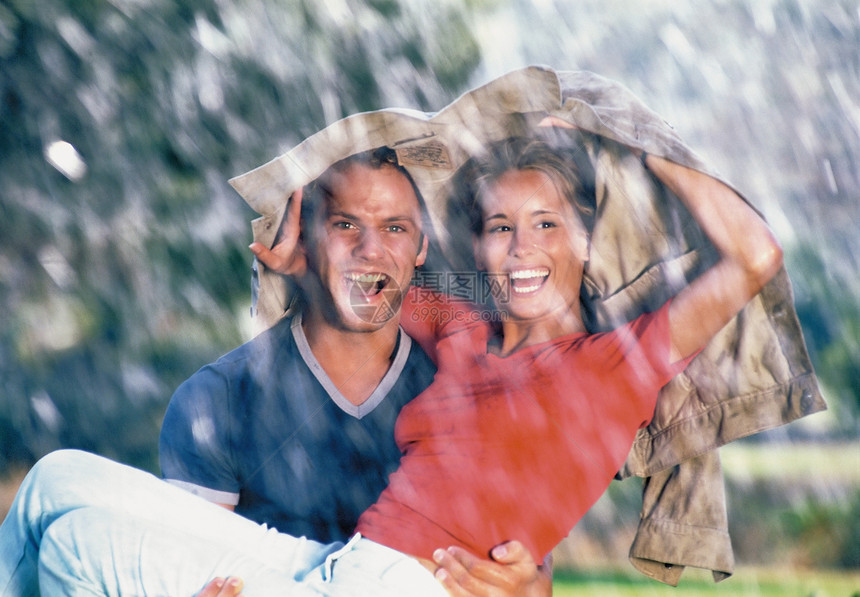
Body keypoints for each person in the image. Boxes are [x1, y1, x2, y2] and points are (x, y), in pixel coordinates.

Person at [0, 129, 783, 595]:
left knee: (75, 547)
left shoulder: (617, 364)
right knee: (56, 481)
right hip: (337, 567)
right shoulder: (463, 333)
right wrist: (293, 256)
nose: (520, 247)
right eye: (500, 226)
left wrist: (639, 151)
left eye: (546, 224)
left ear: (586, 240)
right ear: (477, 245)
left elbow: (753, 255)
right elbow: (370, 271)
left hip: (405, 588)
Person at [158, 146, 550, 597]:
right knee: (63, 482)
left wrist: (523, 586)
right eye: (345, 225)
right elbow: (188, 570)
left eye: (395, 228)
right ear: (305, 240)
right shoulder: (215, 400)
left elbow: (534, 581)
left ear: (421, 247)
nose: (370, 249)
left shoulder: (475, 397)